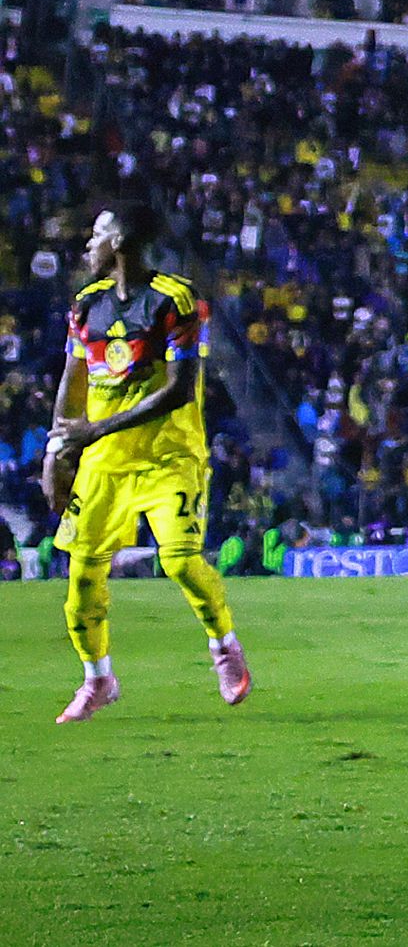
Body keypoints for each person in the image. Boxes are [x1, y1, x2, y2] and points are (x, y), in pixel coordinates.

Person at [46, 197, 248, 722]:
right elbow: (73, 382)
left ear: (118, 243)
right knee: (82, 578)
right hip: (104, 463)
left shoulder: (174, 300)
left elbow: (181, 391)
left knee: (181, 560)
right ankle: (98, 679)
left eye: (96, 235)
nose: (88, 244)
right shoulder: (86, 304)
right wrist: (57, 449)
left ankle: (224, 646)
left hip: (169, 455)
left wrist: (95, 428)